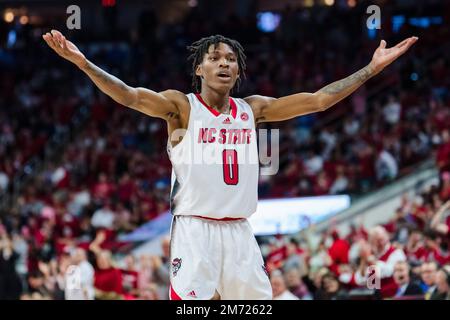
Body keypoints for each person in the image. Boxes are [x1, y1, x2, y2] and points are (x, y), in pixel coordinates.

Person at [43, 29, 417, 300]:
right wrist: (84, 62)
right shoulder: (181, 107)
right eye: (215, 57)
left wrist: (370, 70)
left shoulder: (252, 109)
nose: (224, 63)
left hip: (240, 233)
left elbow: (318, 101)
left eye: (231, 59)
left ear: (238, 72)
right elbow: (128, 96)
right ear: (200, 70)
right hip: (194, 230)